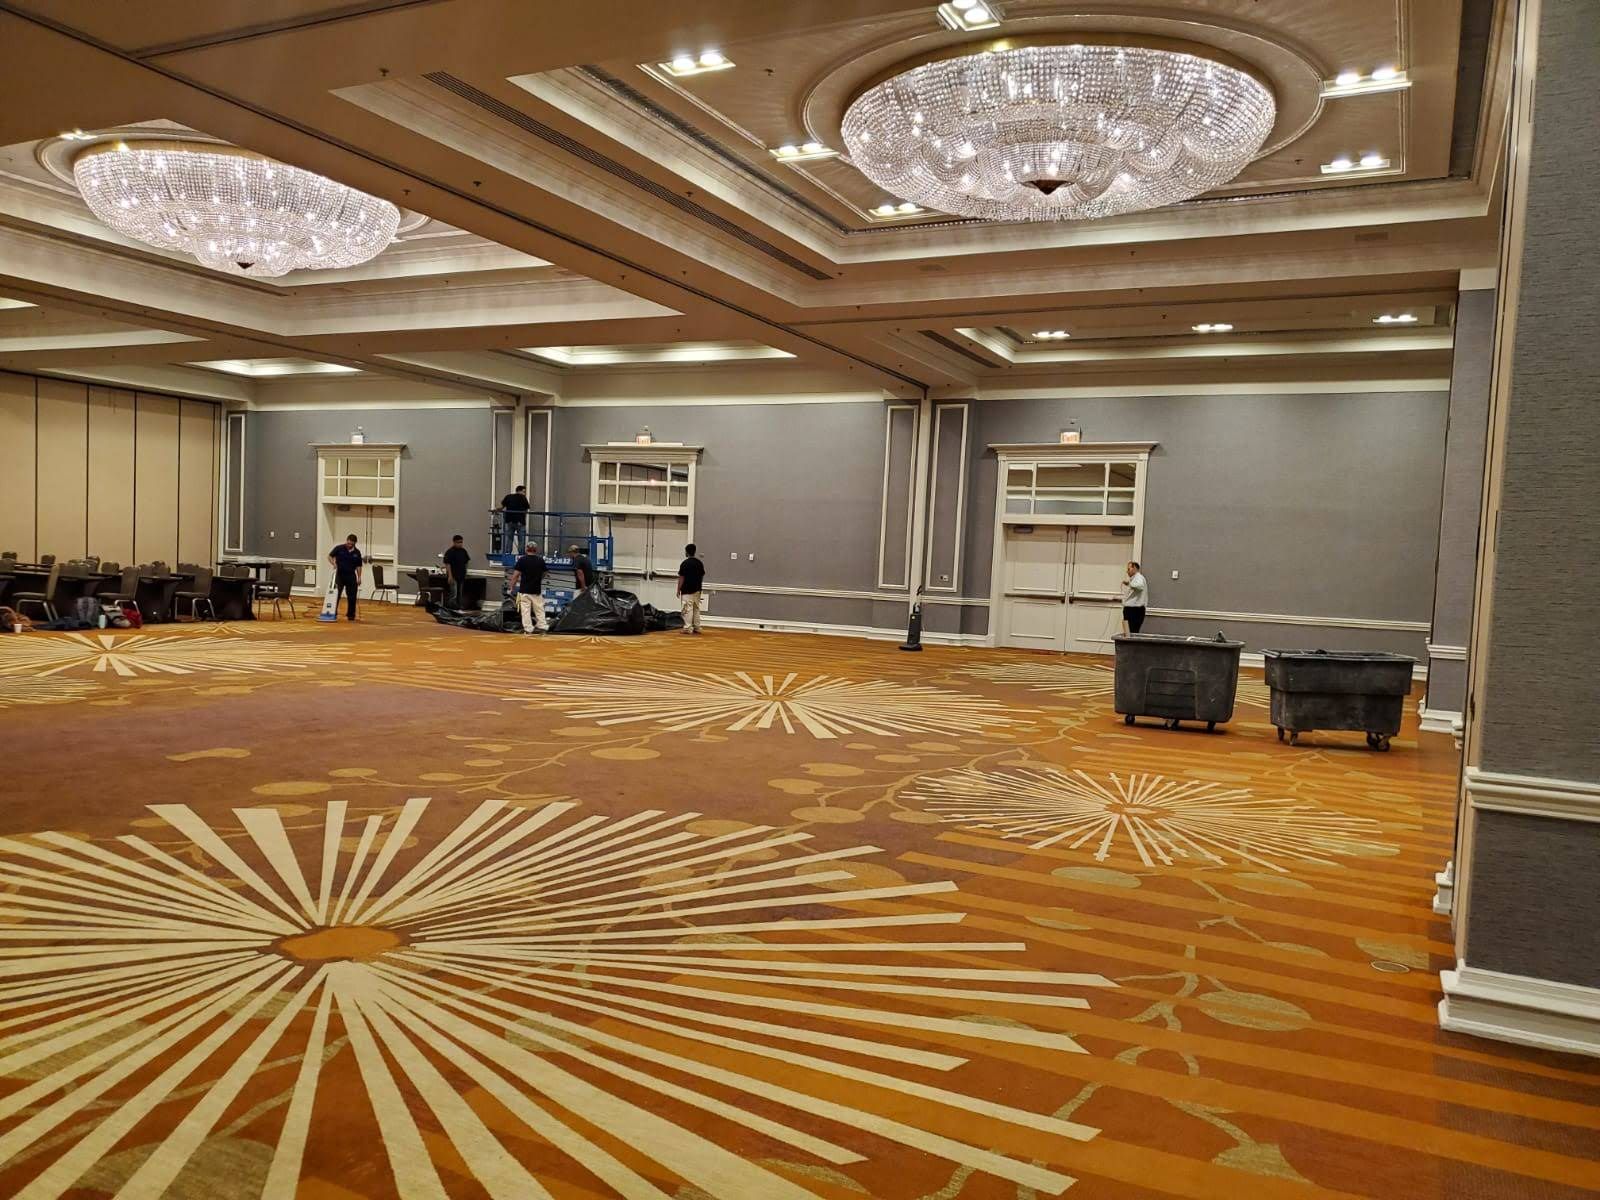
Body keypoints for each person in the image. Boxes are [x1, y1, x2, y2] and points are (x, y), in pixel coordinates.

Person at [509, 544, 547, 634]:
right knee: (539, 609)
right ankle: (542, 627)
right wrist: (539, 578)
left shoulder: (522, 560)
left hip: (524, 590)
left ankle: (528, 629)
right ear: (536, 550)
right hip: (536, 589)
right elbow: (545, 572)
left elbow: (515, 575)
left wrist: (511, 587)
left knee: (525, 611)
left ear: (527, 549)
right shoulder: (540, 560)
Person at [327, 533, 364, 622]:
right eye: (348, 543)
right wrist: (334, 563)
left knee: (352, 596)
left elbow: (359, 566)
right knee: (336, 595)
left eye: (351, 544)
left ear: (354, 543)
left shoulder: (357, 552)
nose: (349, 545)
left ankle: (351, 615)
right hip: (339, 575)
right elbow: (329, 556)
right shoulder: (339, 548)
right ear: (346, 541)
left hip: (351, 576)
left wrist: (359, 577)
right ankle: (333, 613)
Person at [676, 542, 706, 635]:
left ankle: (687, 628)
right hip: (697, 589)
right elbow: (701, 576)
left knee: (687, 609)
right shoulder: (699, 563)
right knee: (696, 608)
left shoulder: (684, 564)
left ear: (687, 552)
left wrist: (678, 589)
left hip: (687, 590)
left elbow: (682, 578)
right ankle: (697, 627)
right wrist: (700, 588)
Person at [441, 535, 470, 609]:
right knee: (454, 594)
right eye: (458, 542)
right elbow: (447, 564)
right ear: (454, 542)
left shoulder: (463, 551)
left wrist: (465, 571)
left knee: (460, 594)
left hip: (461, 575)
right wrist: (450, 576)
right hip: (453, 576)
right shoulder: (450, 552)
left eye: (461, 542)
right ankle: (451, 608)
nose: (460, 544)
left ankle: (459, 607)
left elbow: (466, 561)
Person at [500, 485, 531, 553]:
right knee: (521, 539)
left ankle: (508, 553)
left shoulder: (508, 496)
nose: (524, 493)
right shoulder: (523, 498)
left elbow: (502, 506)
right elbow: (527, 508)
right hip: (520, 522)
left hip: (510, 521)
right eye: (523, 491)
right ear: (519, 491)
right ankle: (521, 554)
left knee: (509, 538)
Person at [1122, 560, 1149, 634]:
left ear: (1134, 568)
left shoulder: (1138, 577)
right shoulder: (1135, 579)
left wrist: (1129, 583)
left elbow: (1140, 586)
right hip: (1133, 610)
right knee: (1130, 633)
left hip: (1134, 611)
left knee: (1130, 633)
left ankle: (1128, 646)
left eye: (1129, 569)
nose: (1127, 571)